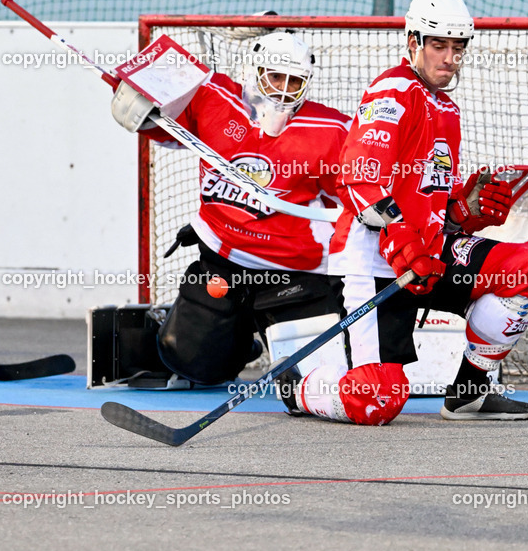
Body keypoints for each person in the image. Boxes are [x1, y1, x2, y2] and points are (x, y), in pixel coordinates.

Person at [276, 0, 528, 425]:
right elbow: (360, 179)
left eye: (457, 48)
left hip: (426, 257)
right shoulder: (394, 91)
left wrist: (467, 209)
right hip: (369, 264)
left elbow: (432, 205)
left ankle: (469, 393)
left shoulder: (446, 108)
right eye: (438, 46)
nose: (449, 58)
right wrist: (401, 236)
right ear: (413, 42)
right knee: (375, 401)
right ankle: (297, 385)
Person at [110, 31, 351, 388]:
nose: (283, 90)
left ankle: (275, 328)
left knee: (319, 382)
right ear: (253, 70)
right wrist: (139, 110)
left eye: (294, 81)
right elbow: (163, 130)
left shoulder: (332, 131)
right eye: (275, 76)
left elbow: (354, 200)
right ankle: (236, 341)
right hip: (224, 262)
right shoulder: (212, 96)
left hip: (294, 272)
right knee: (190, 362)